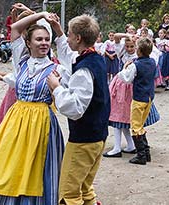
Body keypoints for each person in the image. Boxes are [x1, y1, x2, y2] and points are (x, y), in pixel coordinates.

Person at [0, 12, 64, 204]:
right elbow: (15, 29)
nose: (44, 43)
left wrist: (55, 28)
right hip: (16, 121)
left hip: (42, 124)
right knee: (8, 165)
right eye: (38, 39)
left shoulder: (56, 69)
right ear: (28, 43)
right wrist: (41, 14)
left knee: (36, 168)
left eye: (47, 39)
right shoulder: (22, 61)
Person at [47, 14, 109, 205]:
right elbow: (69, 56)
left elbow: (75, 108)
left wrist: (56, 88)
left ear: (78, 38)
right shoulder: (95, 59)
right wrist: (58, 32)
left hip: (84, 140)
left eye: (69, 34)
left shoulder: (84, 70)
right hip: (98, 137)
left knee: (69, 193)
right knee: (85, 188)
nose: (67, 38)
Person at [103, 35, 161, 159]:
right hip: (148, 97)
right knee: (137, 124)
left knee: (135, 126)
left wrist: (123, 69)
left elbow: (127, 78)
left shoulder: (136, 65)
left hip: (137, 97)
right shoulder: (152, 61)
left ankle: (141, 155)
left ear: (138, 50)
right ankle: (144, 151)